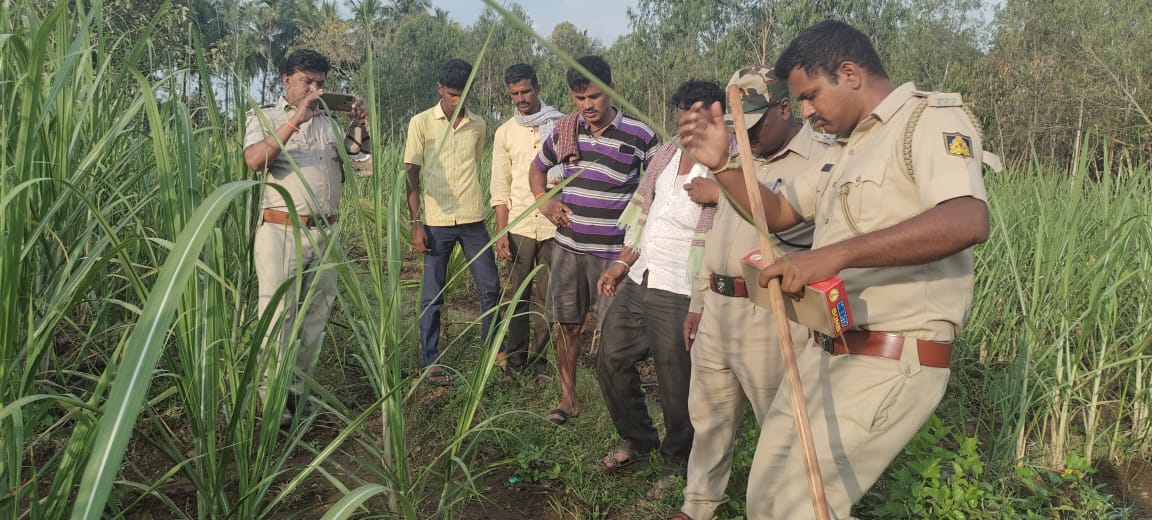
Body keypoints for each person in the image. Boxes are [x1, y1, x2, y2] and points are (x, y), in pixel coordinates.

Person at [676, 20, 990, 519]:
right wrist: (722, 166)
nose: (805, 112)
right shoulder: (848, 149)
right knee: (767, 500)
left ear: (850, 73)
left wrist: (834, 255)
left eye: (810, 96)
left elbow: (968, 218)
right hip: (828, 350)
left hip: (889, 354)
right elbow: (777, 213)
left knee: (798, 508)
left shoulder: (924, 122)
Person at [671, 66, 839, 520]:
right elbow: (715, 236)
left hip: (770, 314)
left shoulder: (823, 162)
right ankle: (698, 505)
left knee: (779, 425)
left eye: (754, 125)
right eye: (735, 127)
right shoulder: (736, 159)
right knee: (708, 417)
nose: (744, 136)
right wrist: (698, 301)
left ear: (785, 107)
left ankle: (783, 509)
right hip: (718, 308)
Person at [594, 79, 725, 499]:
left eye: (698, 116)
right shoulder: (667, 154)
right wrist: (620, 263)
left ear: (716, 114)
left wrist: (719, 191)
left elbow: (749, 210)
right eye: (682, 117)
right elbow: (645, 217)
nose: (688, 126)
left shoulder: (731, 161)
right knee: (610, 358)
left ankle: (678, 461)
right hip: (642, 274)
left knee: (675, 381)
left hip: (682, 285)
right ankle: (637, 439)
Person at [528, 55, 659, 425]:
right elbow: (537, 170)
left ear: (611, 91)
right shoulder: (565, 131)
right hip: (569, 249)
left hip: (613, 257)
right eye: (580, 98)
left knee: (615, 336)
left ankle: (619, 407)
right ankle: (568, 399)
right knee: (567, 324)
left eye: (595, 98)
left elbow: (659, 186)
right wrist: (545, 203)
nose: (588, 106)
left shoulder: (641, 135)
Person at [243, 49, 366, 420]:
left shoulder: (329, 122)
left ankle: (297, 395)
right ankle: (271, 403)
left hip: (324, 232)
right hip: (281, 233)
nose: (314, 89)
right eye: (307, 82)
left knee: (314, 319)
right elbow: (253, 160)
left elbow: (362, 168)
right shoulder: (264, 116)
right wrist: (296, 119)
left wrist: (360, 126)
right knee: (277, 318)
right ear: (286, 80)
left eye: (320, 84)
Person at [404, 58, 501, 385]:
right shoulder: (421, 123)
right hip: (435, 220)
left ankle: (491, 357)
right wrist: (416, 223)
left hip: (473, 219)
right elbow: (411, 175)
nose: (458, 100)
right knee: (432, 294)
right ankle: (431, 362)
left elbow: (473, 163)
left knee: (490, 288)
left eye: (463, 94)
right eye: (452, 94)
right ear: (440, 89)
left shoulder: (479, 125)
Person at [490, 63, 564, 384]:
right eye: (514, 94)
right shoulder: (505, 132)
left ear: (537, 89)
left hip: (553, 226)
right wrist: (502, 231)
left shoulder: (561, 126)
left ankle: (541, 365)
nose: (520, 98)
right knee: (517, 297)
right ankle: (515, 364)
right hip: (519, 226)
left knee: (547, 298)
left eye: (525, 91)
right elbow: (500, 187)